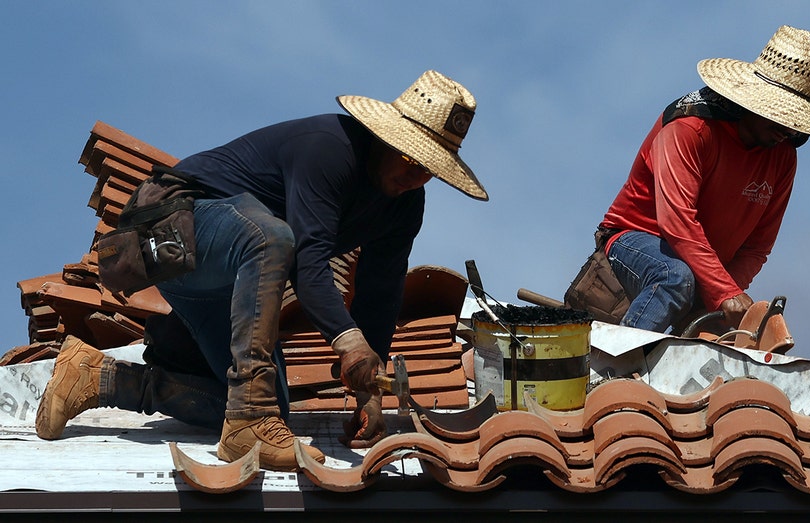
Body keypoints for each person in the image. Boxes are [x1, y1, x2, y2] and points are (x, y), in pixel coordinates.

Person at [35, 70, 488, 471]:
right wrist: (348, 345)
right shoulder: (330, 151)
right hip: (170, 232)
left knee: (268, 406)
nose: (416, 178)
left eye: (429, 170)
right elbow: (310, 264)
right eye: (411, 159)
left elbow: (380, 290)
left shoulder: (405, 205)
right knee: (271, 238)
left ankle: (96, 378)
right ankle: (250, 419)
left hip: (221, 281)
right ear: (386, 138)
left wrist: (371, 386)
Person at [597, 25, 810, 334]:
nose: (787, 130)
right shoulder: (691, 128)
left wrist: (723, 297)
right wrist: (724, 292)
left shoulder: (783, 156)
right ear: (756, 100)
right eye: (782, 117)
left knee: (731, 334)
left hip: (702, 263)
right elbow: (677, 222)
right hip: (634, 237)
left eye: (796, 123)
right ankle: (615, 371)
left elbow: (756, 247)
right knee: (675, 278)